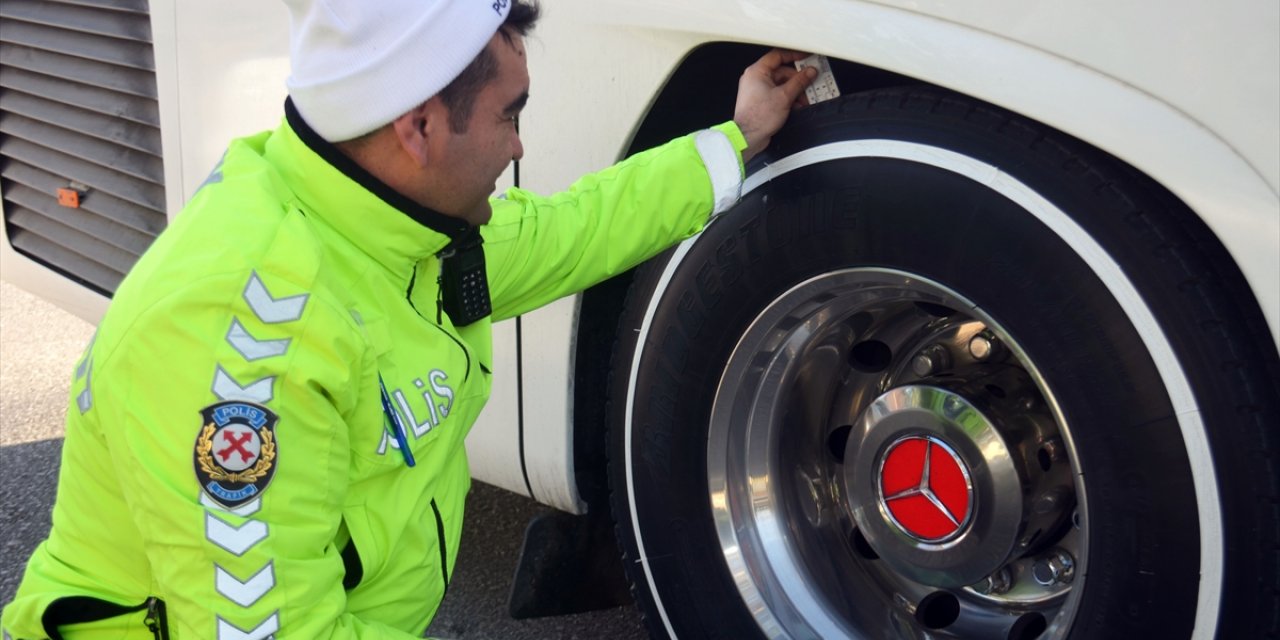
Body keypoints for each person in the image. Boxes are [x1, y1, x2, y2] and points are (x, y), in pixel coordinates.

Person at [0, 0, 816, 637]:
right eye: (510, 115)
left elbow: (572, 228)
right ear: (418, 127)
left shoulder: (385, 220)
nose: (519, 150)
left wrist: (734, 137)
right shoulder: (239, 344)